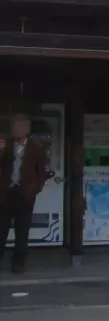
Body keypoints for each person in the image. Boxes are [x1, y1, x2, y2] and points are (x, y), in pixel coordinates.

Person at [0, 114, 50, 274]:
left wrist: (34, 190)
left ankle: (18, 261)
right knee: (1, 229)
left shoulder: (37, 148)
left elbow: (42, 173)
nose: (16, 129)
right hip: (6, 192)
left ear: (26, 130)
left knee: (22, 231)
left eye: (20, 127)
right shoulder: (6, 145)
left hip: (25, 194)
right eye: (15, 126)